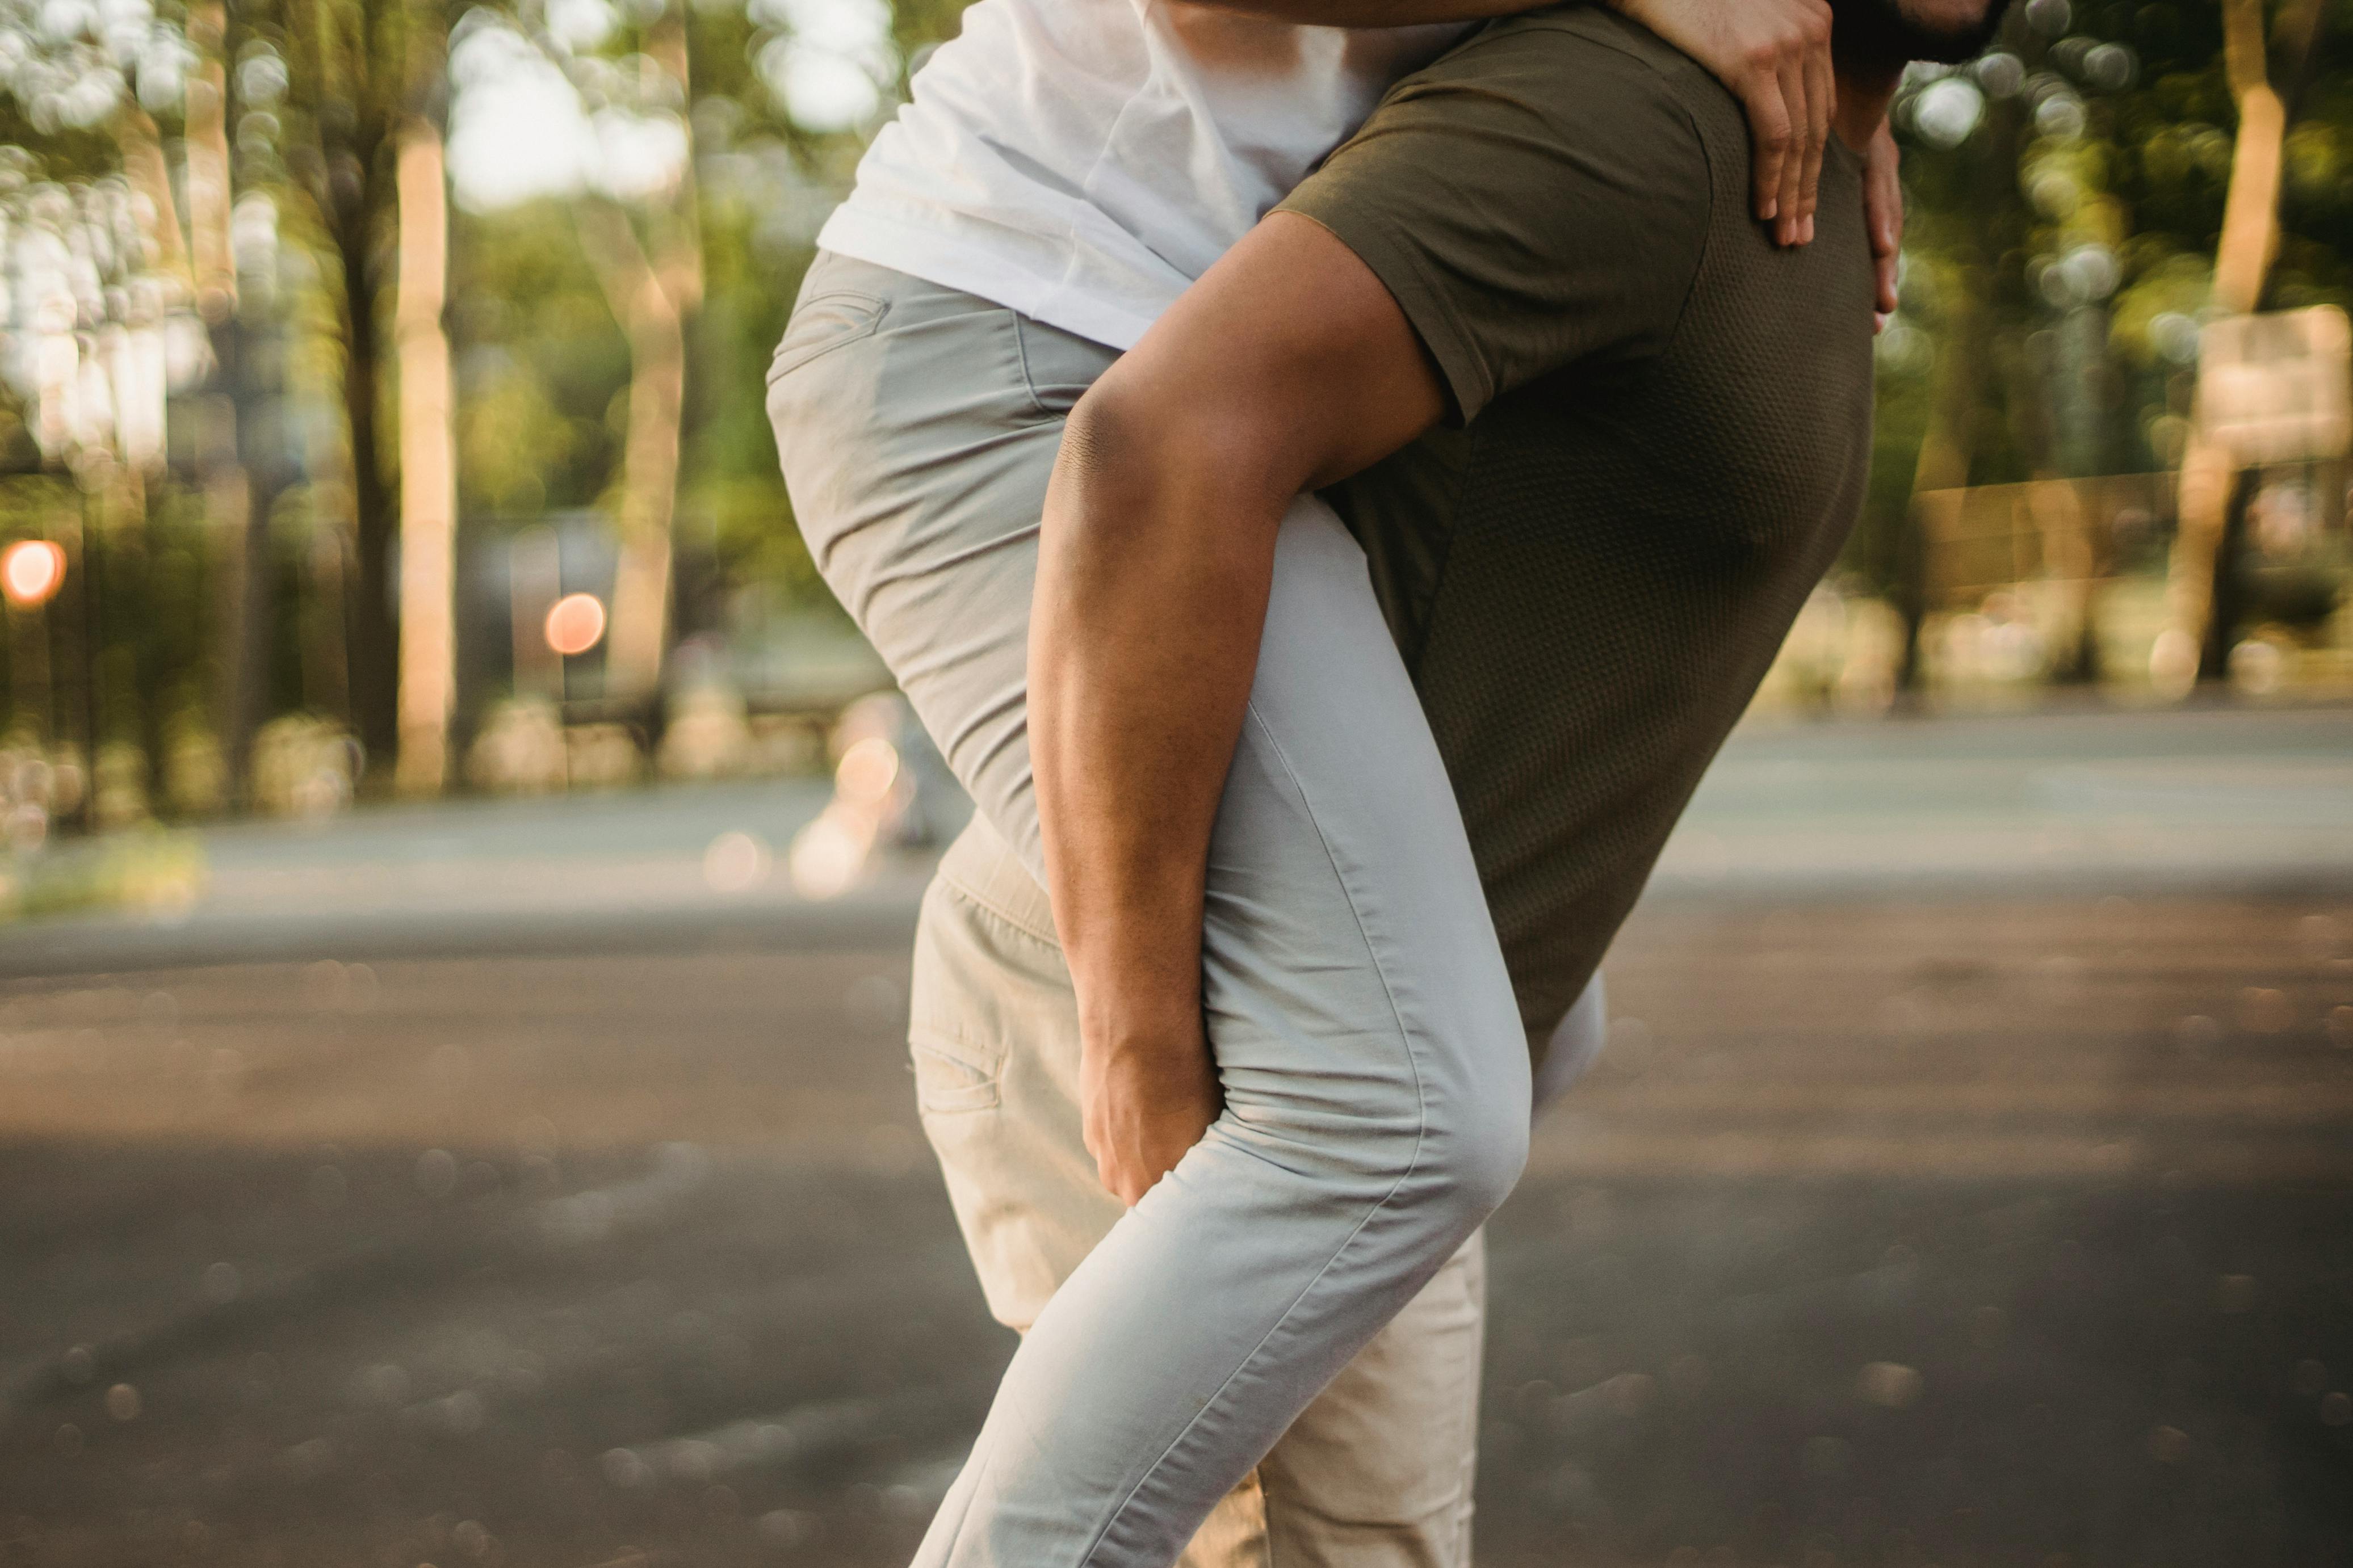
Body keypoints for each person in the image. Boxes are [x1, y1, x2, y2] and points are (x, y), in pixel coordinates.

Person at [769, 6, 2012, 1566]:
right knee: (1406, 1107)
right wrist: (1138, 1025)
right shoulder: (1637, 89)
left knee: (1496, 1032)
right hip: (1018, 301)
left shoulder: (1710, 101)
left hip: (1191, 341)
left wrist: (1853, 79)